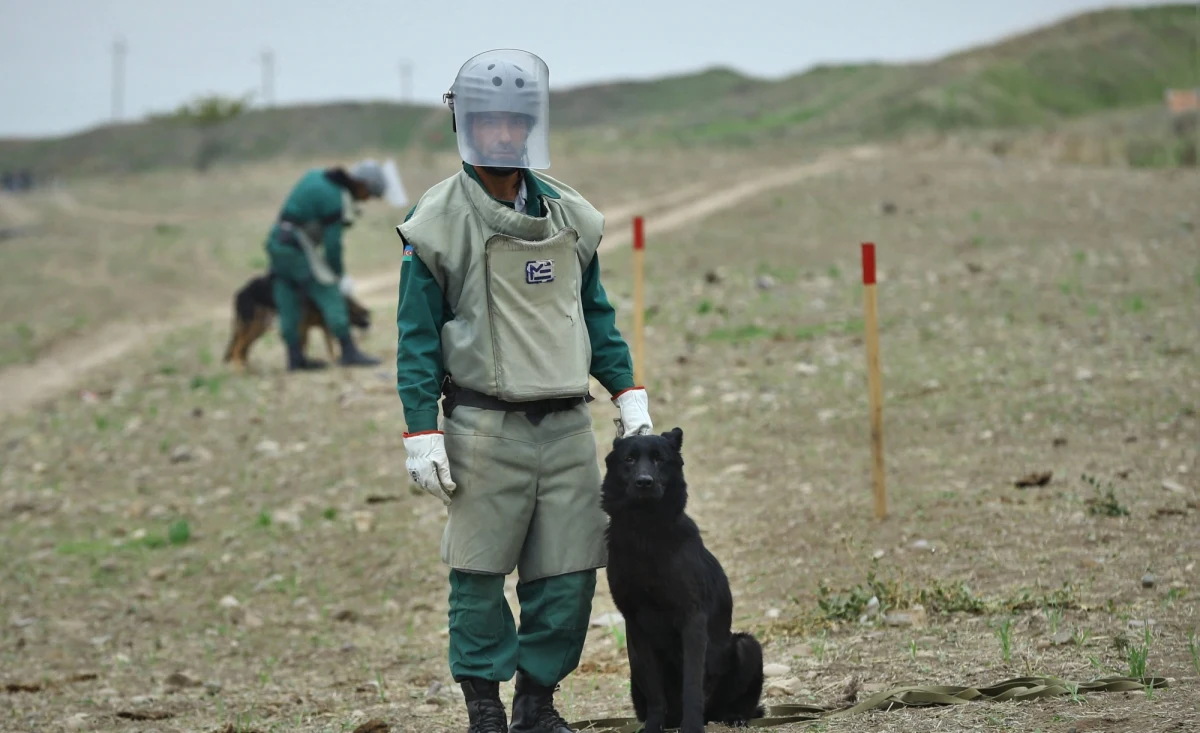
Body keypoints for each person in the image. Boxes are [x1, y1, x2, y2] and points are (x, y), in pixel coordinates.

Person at [394, 49, 653, 733]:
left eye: (517, 121)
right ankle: (484, 708)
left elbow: (594, 313)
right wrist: (420, 430)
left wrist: (629, 396)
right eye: (491, 121)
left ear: (531, 124)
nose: (505, 134)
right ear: (466, 122)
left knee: (568, 576)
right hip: (485, 425)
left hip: (567, 425)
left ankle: (537, 702)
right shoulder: (436, 222)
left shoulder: (571, 216)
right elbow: (415, 337)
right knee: (477, 576)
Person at [265, 160, 390, 370]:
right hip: (296, 246)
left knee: (286, 295)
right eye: (369, 194)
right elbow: (332, 245)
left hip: (277, 242)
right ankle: (348, 351)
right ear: (361, 185)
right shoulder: (335, 197)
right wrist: (339, 276)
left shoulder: (316, 176)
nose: (366, 200)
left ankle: (294, 358)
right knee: (329, 291)